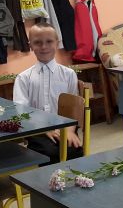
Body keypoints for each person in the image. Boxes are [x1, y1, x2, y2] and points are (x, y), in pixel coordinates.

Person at [13, 23, 83, 164]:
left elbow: (73, 109)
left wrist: (70, 131)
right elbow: (21, 111)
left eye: (49, 41)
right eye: (38, 42)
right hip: (36, 129)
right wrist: (44, 129)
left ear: (57, 43)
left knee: (74, 150)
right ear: (31, 46)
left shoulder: (69, 74)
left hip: (65, 127)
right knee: (48, 153)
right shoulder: (23, 78)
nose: (44, 47)